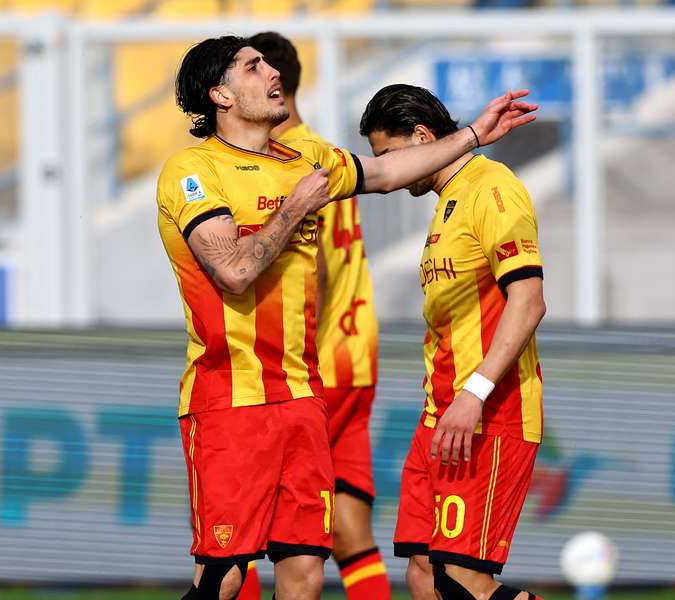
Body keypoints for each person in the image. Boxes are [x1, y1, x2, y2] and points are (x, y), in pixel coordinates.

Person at [159, 35, 536, 600]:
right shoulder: (193, 172)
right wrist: (294, 208)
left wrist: (475, 134)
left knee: (308, 568)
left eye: (267, 62)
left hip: (304, 399)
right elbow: (233, 272)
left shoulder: (305, 159)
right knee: (224, 577)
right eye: (252, 66)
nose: (271, 72)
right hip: (231, 399)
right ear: (220, 95)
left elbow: (385, 175)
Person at [358, 84, 546, 600]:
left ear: (422, 136)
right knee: (422, 570)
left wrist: (475, 393)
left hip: (488, 412)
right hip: (439, 416)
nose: (389, 176)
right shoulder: (446, 204)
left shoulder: (491, 187)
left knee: (463, 582)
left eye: (389, 156)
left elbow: (528, 301)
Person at [236, 31, 389, 600]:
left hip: (310, 367)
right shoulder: (327, 152)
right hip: (357, 356)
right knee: (349, 528)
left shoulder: (283, 162)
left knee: (244, 521)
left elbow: (313, 266)